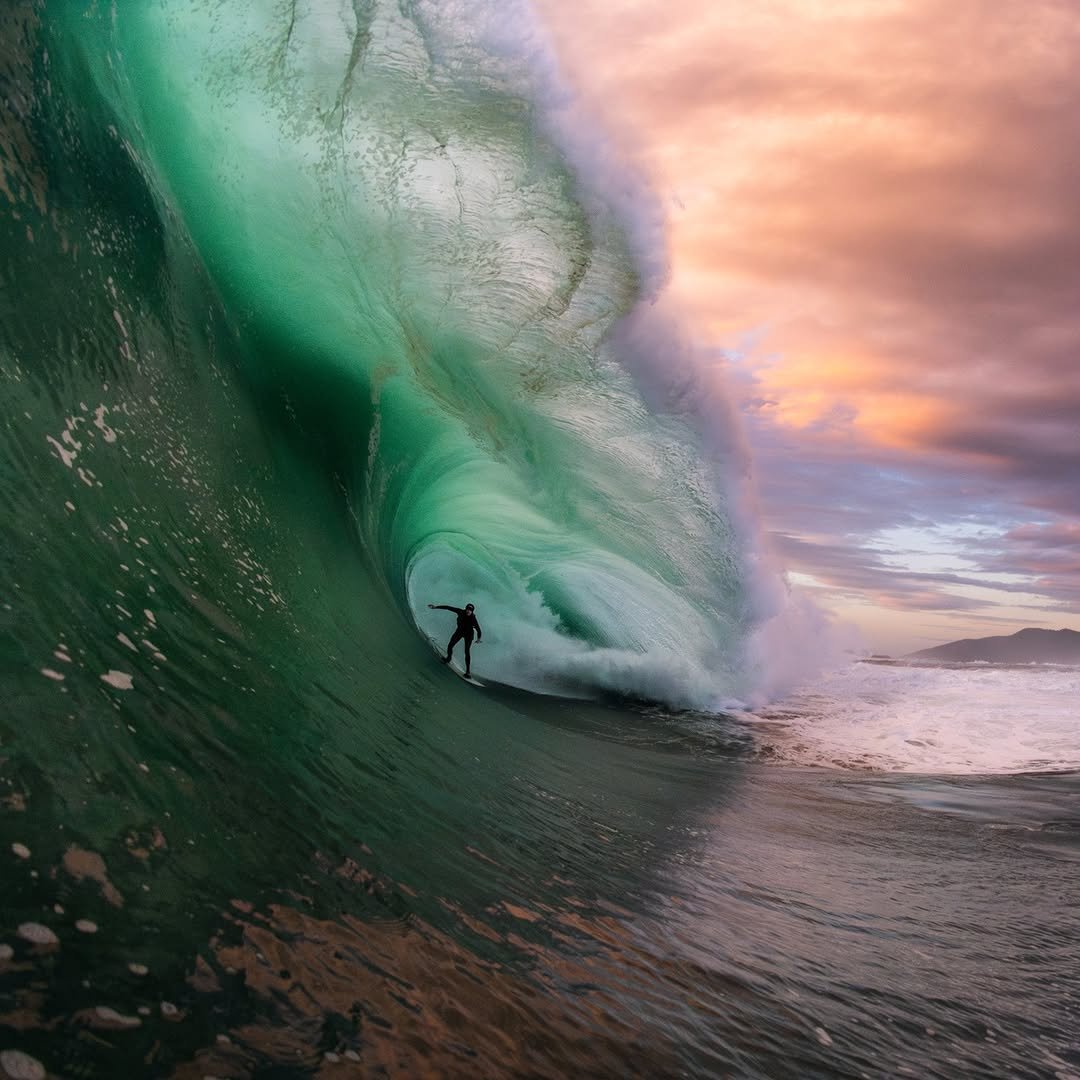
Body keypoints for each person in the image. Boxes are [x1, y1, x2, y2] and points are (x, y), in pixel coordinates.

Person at [427, 602, 482, 677]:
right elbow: (448, 607)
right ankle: (448, 658)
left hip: (468, 635)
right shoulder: (460, 612)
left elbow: (479, 630)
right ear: (465, 609)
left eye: (470, 610)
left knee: (466, 651)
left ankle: (468, 671)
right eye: (467, 609)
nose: (468, 611)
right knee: (450, 645)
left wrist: (479, 638)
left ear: (472, 611)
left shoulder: (473, 619)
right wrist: (435, 607)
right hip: (459, 632)